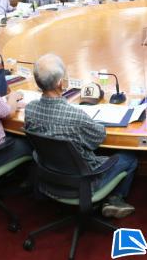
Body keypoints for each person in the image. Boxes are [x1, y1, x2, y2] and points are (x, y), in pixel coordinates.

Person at [24, 54, 137, 218]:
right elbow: (98, 138)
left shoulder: (30, 109)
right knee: (130, 158)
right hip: (85, 181)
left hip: (49, 176)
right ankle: (114, 199)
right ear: (60, 83)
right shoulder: (75, 116)